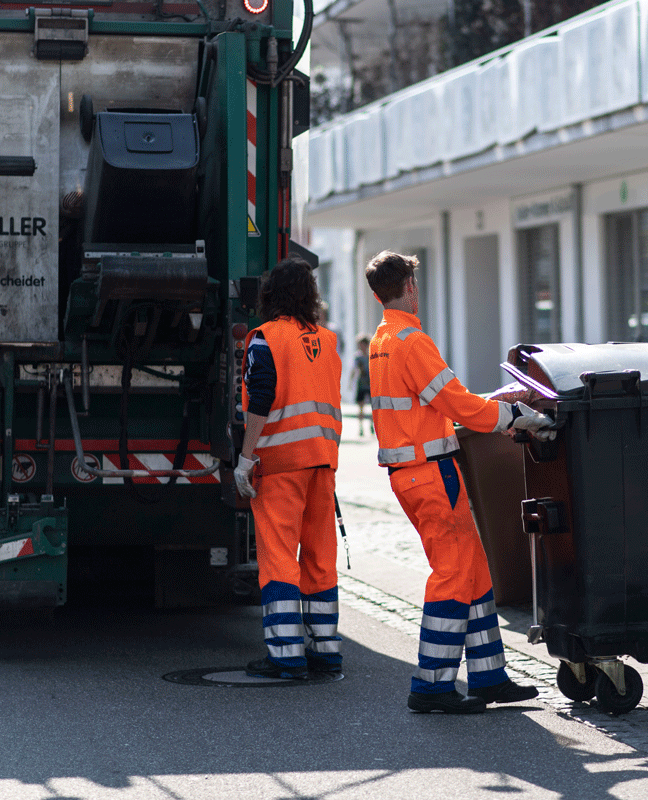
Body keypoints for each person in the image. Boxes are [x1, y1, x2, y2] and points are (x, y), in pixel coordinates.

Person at [364, 250, 556, 714]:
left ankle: (489, 677)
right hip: (432, 475)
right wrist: (517, 414)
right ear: (409, 287)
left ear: (376, 294)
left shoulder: (381, 340)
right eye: (415, 282)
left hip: (410, 473)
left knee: (473, 571)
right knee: (452, 574)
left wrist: (493, 404)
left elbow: (438, 404)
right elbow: (458, 405)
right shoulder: (413, 340)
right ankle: (431, 685)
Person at [234, 257, 344, 679]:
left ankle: (285, 656)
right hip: (322, 463)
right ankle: (326, 651)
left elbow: (260, 397)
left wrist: (246, 458)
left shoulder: (266, 338)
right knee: (319, 558)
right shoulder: (329, 341)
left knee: (279, 558)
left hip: (280, 465)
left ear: (270, 296)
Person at [350, 335, 372, 436]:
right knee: (361, 407)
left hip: (371, 384)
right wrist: (351, 382)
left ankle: (372, 425)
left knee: (373, 407)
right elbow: (354, 370)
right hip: (361, 384)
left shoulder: (371, 355)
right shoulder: (357, 357)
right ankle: (361, 427)